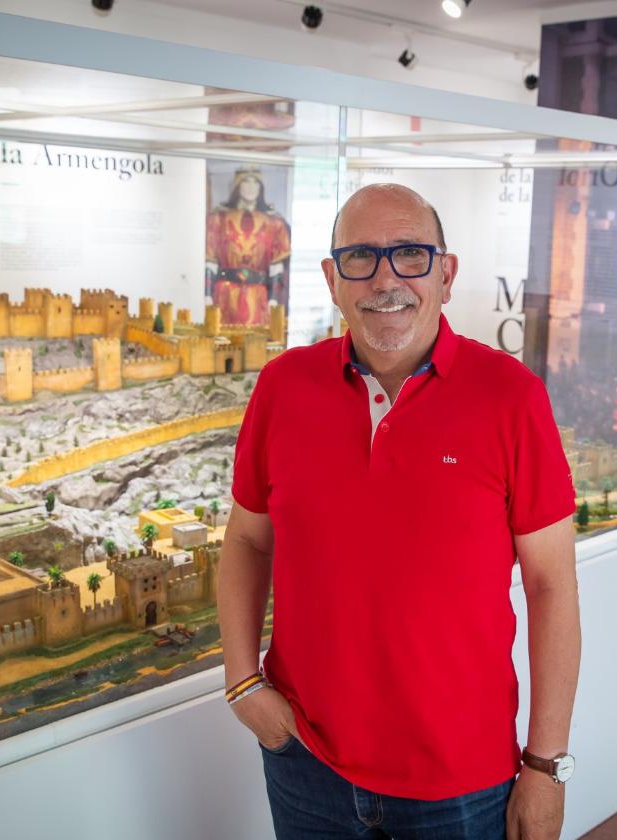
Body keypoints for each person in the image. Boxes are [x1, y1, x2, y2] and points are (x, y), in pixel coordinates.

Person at [218, 183, 581, 840]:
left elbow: (551, 584)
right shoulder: (282, 387)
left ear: (446, 273)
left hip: (463, 781)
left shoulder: (512, 400)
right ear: (332, 279)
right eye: (360, 257)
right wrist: (244, 685)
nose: (386, 279)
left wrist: (546, 765)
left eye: (410, 254)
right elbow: (247, 541)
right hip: (306, 763)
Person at [205, 166, 291, 328]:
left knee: (257, 343)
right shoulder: (218, 219)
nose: (251, 187)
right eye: (246, 181)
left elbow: (276, 268)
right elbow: (210, 263)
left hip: (258, 296)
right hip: (225, 295)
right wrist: (207, 296)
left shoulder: (274, 223)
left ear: (261, 187)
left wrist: (273, 299)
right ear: (237, 185)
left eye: (255, 182)